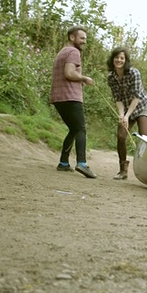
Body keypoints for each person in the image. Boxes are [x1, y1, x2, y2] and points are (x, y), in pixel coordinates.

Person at [50, 25, 97, 179]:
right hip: (70, 97)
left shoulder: (62, 52)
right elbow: (69, 73)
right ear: (72, 37)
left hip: (58, 98)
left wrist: (79, 79)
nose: (84, 41)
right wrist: (84, 78)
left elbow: (67, 74)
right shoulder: (73, 52)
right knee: (81, 129)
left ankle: (63, 163)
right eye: (82, 38)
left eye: (85, 39)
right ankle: (82, 163)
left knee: (73, 129)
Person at [106, 47, 147, 180]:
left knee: (144, 139)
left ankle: (146, 170)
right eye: (116, 57)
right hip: (126, 108)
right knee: (121, 136)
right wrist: (122, 116)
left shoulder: (134, 73)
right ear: (112, 59)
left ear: (126, 60)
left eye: (122, 58)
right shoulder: (111, 77)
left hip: (141, 107)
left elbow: (137, 97)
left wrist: (127, 116)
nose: (119, 60)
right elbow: (118, 99)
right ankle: (123, 170)